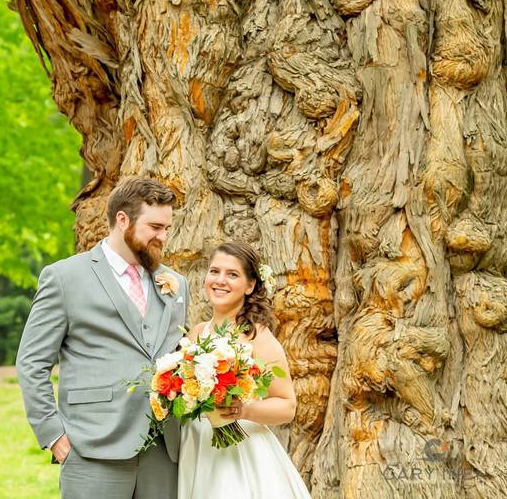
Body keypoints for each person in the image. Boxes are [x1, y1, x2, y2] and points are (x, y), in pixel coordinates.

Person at [16, 177, 189, 499]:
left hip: (164, 451)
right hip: (92, 447)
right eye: (155, 226)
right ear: (122, 219)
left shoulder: (176, 283)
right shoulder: (65, 278)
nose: (163, 236)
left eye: (167, 228)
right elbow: (31, 363)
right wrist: (54, 436)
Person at [178, 240, 311, 498]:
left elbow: (287, 406)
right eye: (214, 271)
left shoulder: (257, 337)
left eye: (232, 274)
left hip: (240, 449)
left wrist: (244, 409)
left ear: (250, 286)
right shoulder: (195, 333)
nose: (220, 280)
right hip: (197, 446)